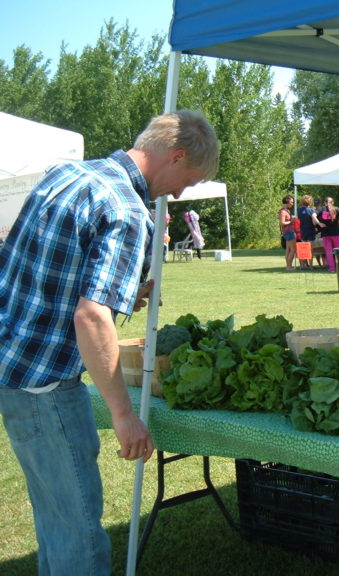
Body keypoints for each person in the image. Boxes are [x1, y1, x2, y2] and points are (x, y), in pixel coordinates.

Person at [0, 109, 219, 576]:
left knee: (57, 521)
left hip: (12, 369)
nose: (180, 193)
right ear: (175, 155)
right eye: (188, 179)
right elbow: (90, 316)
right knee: (77, 533)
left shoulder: (66, 174)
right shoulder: (126, 209)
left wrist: (121, 292)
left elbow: (31, 264)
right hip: (47, 389)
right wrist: (123, 415)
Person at [317, 196, 339, 272]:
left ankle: (332, 268)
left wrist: (319, 223)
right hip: (336, 233)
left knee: (329, 252)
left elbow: (313, 215)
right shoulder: (336, 209)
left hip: (326, 234)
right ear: (333, 202)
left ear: (324, 203)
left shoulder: (321, 209)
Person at [297, 194, 322, 270]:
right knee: (310, 249)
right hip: (310, 231)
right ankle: (310, 266)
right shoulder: (311, 210)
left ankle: (303, 265)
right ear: (310, 202)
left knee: (303, 249)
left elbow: (298, 219)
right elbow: (314, 220)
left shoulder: (299, 210)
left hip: (303, 231)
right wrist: (318, 224)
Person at [279, 194, 297, 271]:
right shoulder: (283, 211)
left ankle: (288, 266)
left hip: (288, 232)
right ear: (287, 201)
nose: (292, 204)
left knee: (288, 250)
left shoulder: (286, 210)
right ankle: (289, 267)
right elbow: (282, 223)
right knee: (293, 250)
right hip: (289, 232)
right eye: (292, 202)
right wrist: (291, 221)